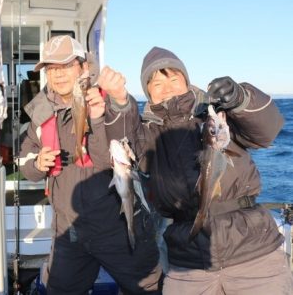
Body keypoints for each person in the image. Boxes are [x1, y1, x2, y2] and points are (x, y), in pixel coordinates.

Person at [104, 46, 293, 294]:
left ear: (186, 80)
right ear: (147, 91)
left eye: (173, 77)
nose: (167, 86)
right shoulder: (147, 133)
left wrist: (241, 98)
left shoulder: (217, 117)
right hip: (187, 262)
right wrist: (119, 102)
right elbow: (121, 139)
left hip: (252, 251)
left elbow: (267, 131)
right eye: (156, 82)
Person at [19, 35, 162, 294]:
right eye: (51, 69)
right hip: (69, 232)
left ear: (84, 68)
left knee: (148, 289)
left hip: (117, 228)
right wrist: (38, 164)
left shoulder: (107, 101)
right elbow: (25, 166)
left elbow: (129, 139)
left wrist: (118, 102)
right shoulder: (40, 115)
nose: (58, 75)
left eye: (65, 66)